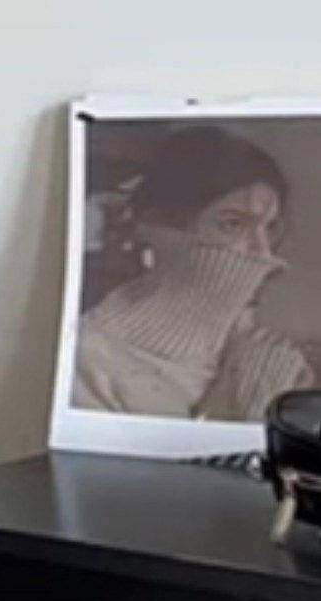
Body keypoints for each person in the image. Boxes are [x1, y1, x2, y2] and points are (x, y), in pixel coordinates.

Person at [73, 125, 313, 420]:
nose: (263, 252)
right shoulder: (88, 359)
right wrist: (235, 410)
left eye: (270, 227)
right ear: (162, 227)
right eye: (232, 224)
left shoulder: (263, 349)